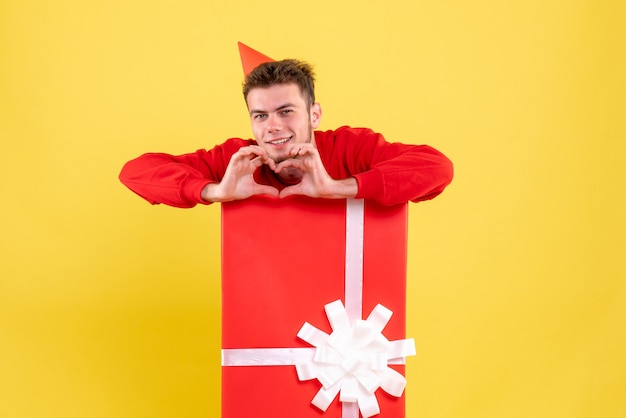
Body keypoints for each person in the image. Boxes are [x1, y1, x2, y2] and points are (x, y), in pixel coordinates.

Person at [119, 52, 453, 208]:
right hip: (270, 322)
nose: (273, 127)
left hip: (351, 325)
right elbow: (135, 173)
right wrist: (215, 191)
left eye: (286, 111)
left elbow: (437, 167)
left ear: (315, 114)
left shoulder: (351, 148)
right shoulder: (239, 161)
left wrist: (339, 188)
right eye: (260, 116)